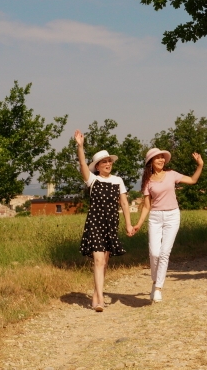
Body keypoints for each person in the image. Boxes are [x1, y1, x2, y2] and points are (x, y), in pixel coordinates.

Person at [128, 146, 204, 302]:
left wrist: (200, 165)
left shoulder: (171, 174)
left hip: (172, 216)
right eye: (158, 157)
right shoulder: (148, 182)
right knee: (154, 253)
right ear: (151, 162)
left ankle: (158, 288)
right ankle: (155, 281)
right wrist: (138, 224)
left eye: (163, 157)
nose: (161, 160)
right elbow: (147, 206)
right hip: (155, 217)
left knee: (164, 253)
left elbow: (192, 180)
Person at [73, 129, 135, 312]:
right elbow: (82, 163)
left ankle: (95, 293)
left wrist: (129, 224)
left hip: (111, 224)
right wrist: (80, 146)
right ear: (97, 166)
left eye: (109, 161)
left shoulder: (118, 181)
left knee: (105, 262)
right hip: (95, 223)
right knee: (99, 260)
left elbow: (124, 204)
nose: (108, 164)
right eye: (104, 162)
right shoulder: (92, 180)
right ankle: (100, 299)